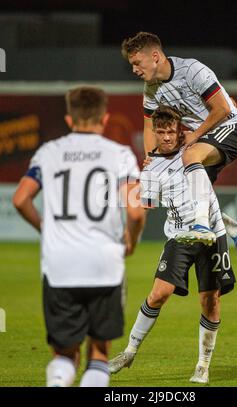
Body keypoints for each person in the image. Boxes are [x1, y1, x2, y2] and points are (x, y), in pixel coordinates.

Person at [12, 86, 145, 387]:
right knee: (99, 353)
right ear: (105, 118)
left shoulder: (48, 152)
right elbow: (136, 212)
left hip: (60, 266)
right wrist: (131, 241)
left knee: (63, 355)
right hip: (105, 264)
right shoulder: (120, 155)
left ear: (70, 119)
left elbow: (20, 199)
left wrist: (46, 228)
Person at [109, 106, 236, 384]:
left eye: (171, 131)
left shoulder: (196, 148)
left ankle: (203, 365)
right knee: (158, 295)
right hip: (179, 236)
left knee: (210, 301)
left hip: (211, 234)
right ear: (154, 132)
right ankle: (129, 352)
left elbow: (227, 115)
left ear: (179, 130)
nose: (167, 137)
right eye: (161, 132)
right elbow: (148, 206)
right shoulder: (152, 166)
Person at [121, 31, 237, 271]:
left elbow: (224, 108)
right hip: (206, 138)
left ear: (155, 56)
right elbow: (150, 126)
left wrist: (195, 134)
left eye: (136, 63)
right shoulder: (151, 89)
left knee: (190, 155)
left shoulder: (192, 70)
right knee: (176, 191)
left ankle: (202, 226)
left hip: (234, 127)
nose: (134, 70)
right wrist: (153, 162)